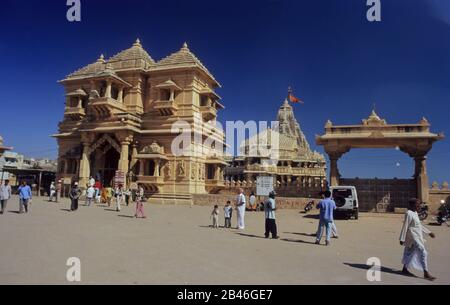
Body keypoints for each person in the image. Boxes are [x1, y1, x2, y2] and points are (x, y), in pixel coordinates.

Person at [399, 198, 436, 281]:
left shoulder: (415, 213)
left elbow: (419, 225)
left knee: (410, 253)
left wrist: (429, 232)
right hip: (413, 237)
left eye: (419, 204)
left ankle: (404, 269)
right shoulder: (408, 213)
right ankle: (426, 273)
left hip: (418, 236)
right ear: (412, 205)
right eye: (417, 204)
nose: (419, 206)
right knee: (423, 252)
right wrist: (402, 238)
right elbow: (405, 226)